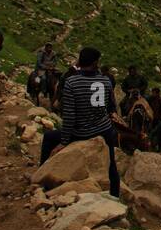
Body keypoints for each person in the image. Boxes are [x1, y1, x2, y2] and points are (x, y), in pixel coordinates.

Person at [39, 46, 119, 197]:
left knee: (49, 137)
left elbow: (69, 115)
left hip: (82, 132)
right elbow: (111, 107)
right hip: (104, 130)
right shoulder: (106, 81)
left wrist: (64, 141)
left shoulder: (71, 82)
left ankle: (43, 177)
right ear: (95, 63)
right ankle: (115, 194)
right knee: (112, 164)